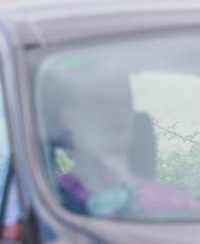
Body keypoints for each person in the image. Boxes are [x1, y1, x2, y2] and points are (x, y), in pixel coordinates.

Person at [47, 63, 197, 217]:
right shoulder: (50, 204)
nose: (117, 112)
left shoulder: (176, 204)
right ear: (69, 118)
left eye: (124, 101)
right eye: (101, 102)